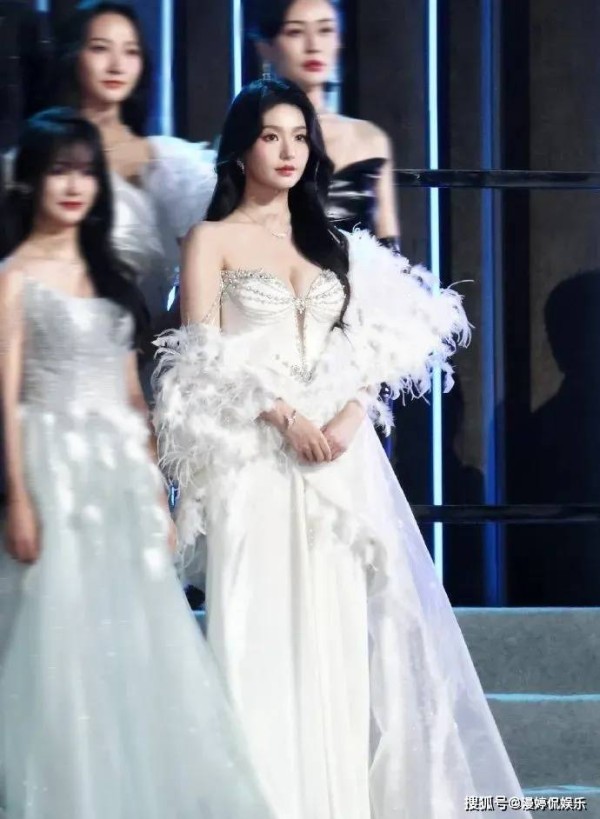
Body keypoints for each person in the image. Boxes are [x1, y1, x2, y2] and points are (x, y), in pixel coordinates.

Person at [152, 79, 530, 819]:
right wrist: (284, 416)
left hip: (339, 463)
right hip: (255, 461)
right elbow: (197, 360)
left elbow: (368, 351)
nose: (288, 151)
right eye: (270, 136)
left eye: (300, 136)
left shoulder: (335, 244)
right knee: (259, 639)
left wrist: (353, 417)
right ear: (241, 148)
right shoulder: (210, 239)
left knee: (338, 646)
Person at [0, 108, 273, 819]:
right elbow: (4, 397)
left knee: (135, 635)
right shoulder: (12, 277)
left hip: (118, 473)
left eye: (85, 172)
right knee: (55, 637)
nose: (73, 185)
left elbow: (131, 396)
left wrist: (158, 493)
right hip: (48, 467)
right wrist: (18, 497)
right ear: (30, 182)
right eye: (58, 171)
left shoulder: (111, 277)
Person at [248, 0, 401, 250]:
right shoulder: (247, 136)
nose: (313, 46)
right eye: (296, 32)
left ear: (338, 40)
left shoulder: (371, 139)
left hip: (363, 274)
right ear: (266, 47)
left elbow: (391, 249)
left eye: (325, 30)